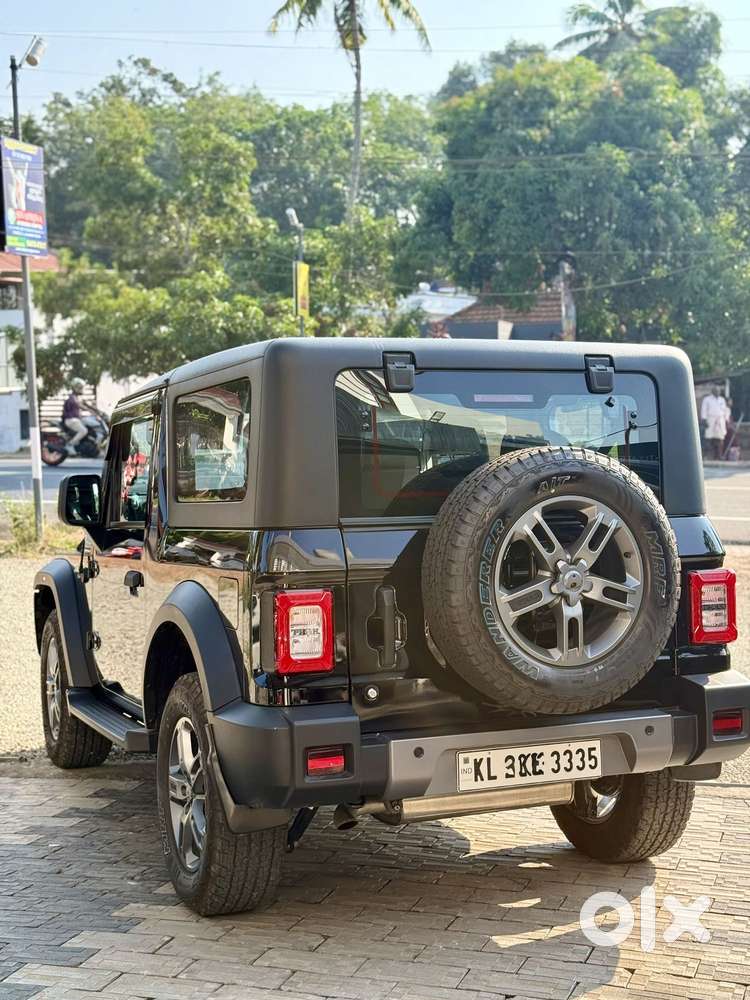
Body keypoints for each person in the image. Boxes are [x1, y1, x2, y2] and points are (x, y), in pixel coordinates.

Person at [62, 378, 92, 456]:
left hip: (75, 420)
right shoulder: (72, 398)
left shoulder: (76, 398)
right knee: (84, 431)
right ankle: (70, 445)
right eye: (80, 387)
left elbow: (83, 407)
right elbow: (81, 406)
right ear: (75, 388)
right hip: (71, 420)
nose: (82, 389)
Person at [700, 384, 730, 460]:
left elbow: (725, 410)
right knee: (708, 438)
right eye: (716, 390)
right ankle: (706, 456)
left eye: (719, 391)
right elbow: (704, 410)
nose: (717, 392)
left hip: (720, 420)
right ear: (712, 391)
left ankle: (719, 456)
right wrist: (704, 419)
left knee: (720, 438)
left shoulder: (722, 400)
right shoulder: (707, 399)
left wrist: (726, 419)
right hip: (710, 419)